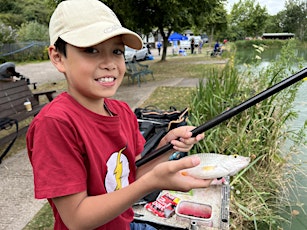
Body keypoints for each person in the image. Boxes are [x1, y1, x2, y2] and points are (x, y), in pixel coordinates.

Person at [26, 0, 211, 229]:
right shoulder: (55, 124)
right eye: (91, 50)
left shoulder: (122, 112)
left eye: (117, 51)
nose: (109, 63)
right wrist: (151, 183)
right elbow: (76, 218)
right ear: (58, 57)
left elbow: (131, 175)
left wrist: (167, 145)